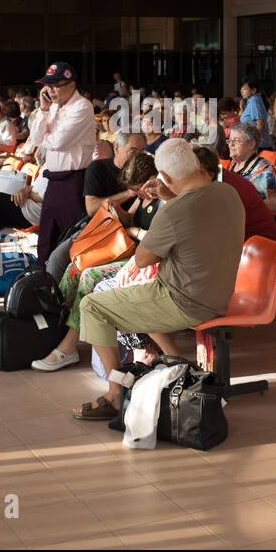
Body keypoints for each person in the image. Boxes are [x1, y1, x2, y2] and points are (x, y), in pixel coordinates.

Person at [70, 140, 245, 420]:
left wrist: (167, 199)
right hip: (219, 293)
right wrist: (171, 196)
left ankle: (115, 393)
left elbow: (142, 259)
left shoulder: (175, 211)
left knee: (92, 306)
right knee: (137, 291)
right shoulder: (228, 192)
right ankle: (176, 363)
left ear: (164, 177)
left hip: (183, 299)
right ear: (196, 164)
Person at [33, 152, 163, 372]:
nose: (138, 192)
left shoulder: (163, 200)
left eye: (140, 187)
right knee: (75, 268)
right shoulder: (144, 195)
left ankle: (69, 344)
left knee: (89, 276)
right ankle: (59, 329)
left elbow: (158, 241)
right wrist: (118, 213)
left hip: (144, 259)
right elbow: (130, 217)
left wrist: (134, 230)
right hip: (128, 249)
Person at [42, 131, 147, 282]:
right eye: (133, 151)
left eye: (142, 151)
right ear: (116, 148)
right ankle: (51, 299)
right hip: (95, 226)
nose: (138, 156)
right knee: (57, 259)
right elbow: (91, 208)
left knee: (85, 271)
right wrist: (129, 194)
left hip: (123, 235)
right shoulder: (98, 168)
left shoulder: (144, 175)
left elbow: (131, 218)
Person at [28, 61, 98, 263]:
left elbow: (58, 142)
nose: (50, 90)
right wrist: (43, 109)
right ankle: (42, 279)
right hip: (54, 179)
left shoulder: (82, 107)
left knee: (72, 238)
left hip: (73, 180)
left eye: (55, 85)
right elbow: (35, 138)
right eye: (47, 86)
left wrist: (45, 138)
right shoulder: (53, 107)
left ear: (70, 84)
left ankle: (68, 285)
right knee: (46, 237)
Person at [190, 145, 276, 243]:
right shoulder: (218, 177)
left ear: (208, 173)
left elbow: (217, 230)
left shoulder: (229, 189)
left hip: (263, 247)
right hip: (246, 242)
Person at [226, 121, 276, 213]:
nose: (230, 145)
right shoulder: (234, 163)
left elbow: (274, 204)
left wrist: (242, 204)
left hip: (253, 221)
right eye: (230, 140)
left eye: (236, 141)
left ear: (251, 144)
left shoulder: (264, 170)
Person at [238, 78, 272, 150]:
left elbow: (260, 124)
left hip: (259, 146)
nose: (242, 92)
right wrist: (242, 109)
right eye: (241, 89)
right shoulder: (250, 100)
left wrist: (254, 142)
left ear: (253, 90)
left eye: (244, 90)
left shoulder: (254, 101)